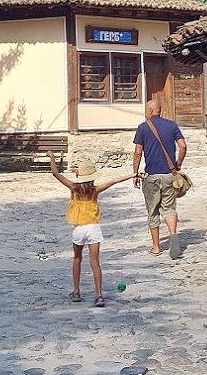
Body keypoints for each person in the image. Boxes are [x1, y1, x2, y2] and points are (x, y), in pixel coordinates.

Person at [49, 153, 132, 307]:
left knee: (77, 258)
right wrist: (134, 175)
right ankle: (99, 296)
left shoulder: (73, 188)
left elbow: (55, 173)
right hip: (94, 228)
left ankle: (76, 292)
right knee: (95, 263)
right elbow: (114, 181)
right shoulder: (95, 190)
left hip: (79, 229)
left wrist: (52, 157)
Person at [133, 99, 188, 258]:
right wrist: (178, 163)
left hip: (151, 176)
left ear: (150, 111)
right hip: (169, 175)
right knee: (169, 208)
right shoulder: (171, 125)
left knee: (153, 211)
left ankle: (156, 247)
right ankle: (173, 234)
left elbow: (138, 153)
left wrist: (135, 173)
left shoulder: (143, 128)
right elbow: (183, 145)